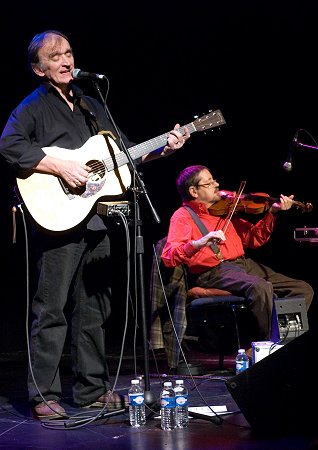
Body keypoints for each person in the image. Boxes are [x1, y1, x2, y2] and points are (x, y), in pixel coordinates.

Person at [0, 30, 190, 420]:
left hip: (98, 219)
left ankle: (92, 389)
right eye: (55, 56)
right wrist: (61, 166)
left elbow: (122, 157)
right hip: (58, 220)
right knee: (51, 309)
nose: (66, 60)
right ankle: (44, 393)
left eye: (68, 52)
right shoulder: (31, 107)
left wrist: (162, 149)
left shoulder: (91, 104)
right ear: (39, 68)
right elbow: (10, 145)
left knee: (94, 309)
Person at [161, 164, 314, 345]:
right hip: (214, 272)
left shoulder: (225, 211)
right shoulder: (183, 216)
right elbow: (169, 257)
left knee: (302, 289)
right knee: (260, 287)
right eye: (209, 183)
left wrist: (272, 213)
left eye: (214, 180)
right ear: (194, 191)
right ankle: (267, 346)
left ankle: (282, 341)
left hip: (244, 266)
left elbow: (253, 239)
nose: (217, 184)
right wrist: (200, 242)